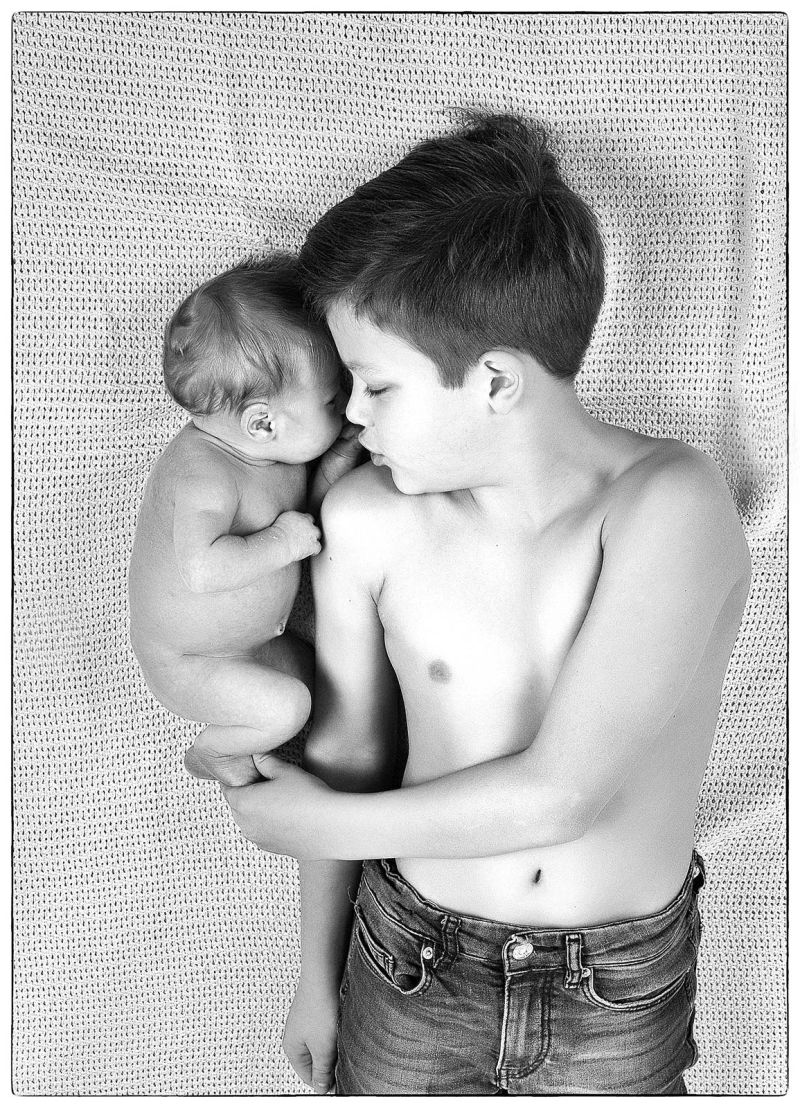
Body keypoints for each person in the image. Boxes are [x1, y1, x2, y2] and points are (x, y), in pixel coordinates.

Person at [221, 115, 751, 1093]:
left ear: (496, 380)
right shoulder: (370, 520)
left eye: (375, 386)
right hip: (409, 961)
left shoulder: (670, 504)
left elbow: (563, 794)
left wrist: (304, 825)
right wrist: (316, 976)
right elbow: (350, 758)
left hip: (613, 988)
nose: (349, 417)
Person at [128, 256, 361, 787]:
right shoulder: (203, 475)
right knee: (286, 707)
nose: (346, 404)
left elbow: (303, 519)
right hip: (192, 661)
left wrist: (332, 467)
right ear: (263, 423)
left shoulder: (273, 455)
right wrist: (280, 542)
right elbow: (204, 569)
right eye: (332, 398)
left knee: (331, 683)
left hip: (255, 645)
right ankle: (211, 754)